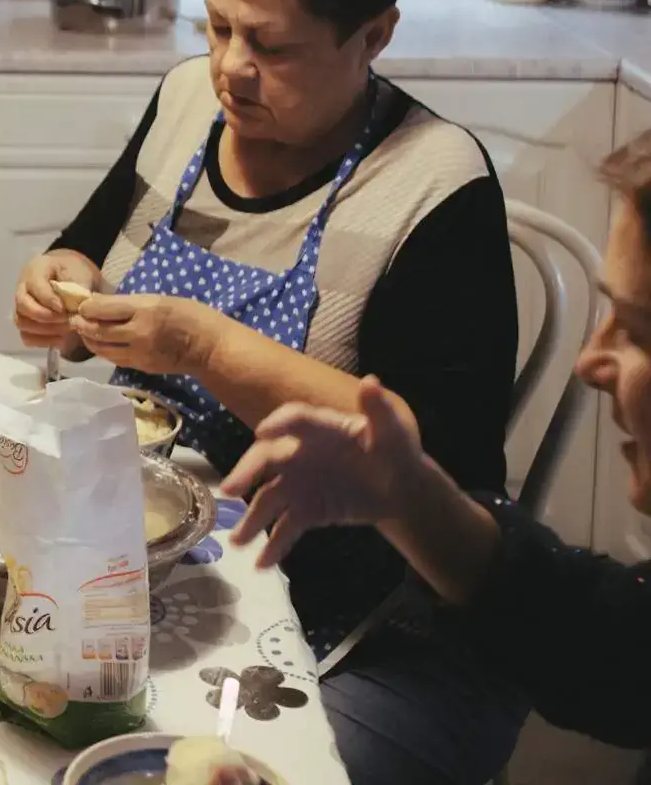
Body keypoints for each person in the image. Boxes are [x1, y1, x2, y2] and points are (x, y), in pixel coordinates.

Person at [11, 0, 527, 782]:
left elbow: (439, 467)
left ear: (374, 35)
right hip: (154, 564)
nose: (231, 71)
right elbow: (87, 244)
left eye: (272, 46)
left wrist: (205, 347)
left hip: (366, 624)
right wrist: (58, 280)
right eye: (217, 29)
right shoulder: (181, 102)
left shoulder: (435, 183)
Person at [222, 126, 651, 759]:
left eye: (638, 331)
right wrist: (409, 498)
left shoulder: (442, 179)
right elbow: (613, 644)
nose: (590, 361)